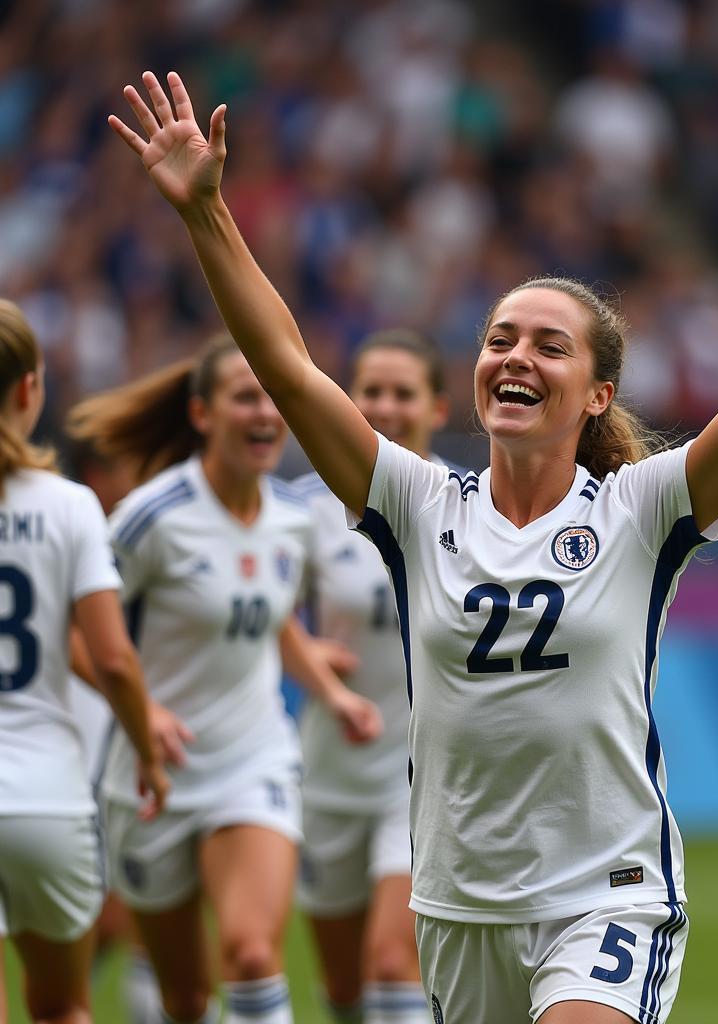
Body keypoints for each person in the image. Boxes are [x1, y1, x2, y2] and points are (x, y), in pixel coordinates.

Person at [110, 69, 718, 1024]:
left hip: (607, 893)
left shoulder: (644, 509)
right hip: (460, 905)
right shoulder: (414, 505)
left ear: (598, 395)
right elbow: (287, 366)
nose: (516, 356)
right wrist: (206, 213)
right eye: (499, 338)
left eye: (548, 345)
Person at [67, 335, 382, 1024]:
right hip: (152, 775)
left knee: (247, 952)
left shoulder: (293, 523)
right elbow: (76, 634)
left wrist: (330, 693)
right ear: (204, 415)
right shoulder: (151, 518)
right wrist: (141, 711)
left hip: (252, 760)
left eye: (273, 396)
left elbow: (274, 621)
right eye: (246, 396)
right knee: (183, 998)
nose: (265, 411)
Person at [0, 299, 169, 1024]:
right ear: (31, 390)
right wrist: (148, 753)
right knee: (65, 1007)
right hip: (47, 795)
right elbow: (115, 660)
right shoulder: (69, 506)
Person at [294, 329, 452, 1024]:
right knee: (346, 991)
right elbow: (255, 613)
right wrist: (305, 652)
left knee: (393, 963)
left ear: (438, 409)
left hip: (419, 778)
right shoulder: (304, 509)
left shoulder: (464, 503)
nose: (385, 406)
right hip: (329, 770)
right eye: (371, 392)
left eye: (403, 393)